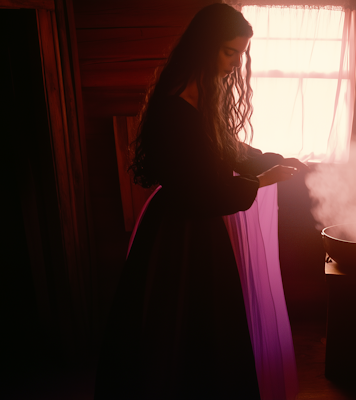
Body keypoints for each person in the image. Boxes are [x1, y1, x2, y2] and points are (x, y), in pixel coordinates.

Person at [94, 3, 305, 399]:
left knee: (211, 331)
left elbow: (227, 150)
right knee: (173, 334)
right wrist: (261, 181)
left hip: (204, 228)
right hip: (177, 235)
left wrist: (272, 160)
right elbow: (197, 191)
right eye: (229, 52)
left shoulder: (208, 96)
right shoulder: (171, 108)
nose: (234, 63)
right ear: (204, 46)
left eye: (240, 54)